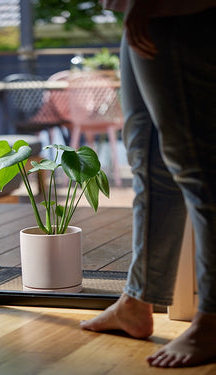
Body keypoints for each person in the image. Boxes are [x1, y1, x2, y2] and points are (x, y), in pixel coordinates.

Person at [80, 0, 216, 368]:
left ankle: (211, 320)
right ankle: (136, 301)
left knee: (198, 171)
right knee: (148, 164)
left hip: (176, 11)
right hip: (139, 13)